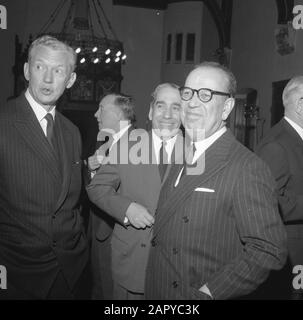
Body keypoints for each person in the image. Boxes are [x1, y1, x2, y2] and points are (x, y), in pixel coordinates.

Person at [145, 62, 287, 300]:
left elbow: (268, 250)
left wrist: (210, 293)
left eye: (206, 94)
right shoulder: (183, 152)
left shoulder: (246, 167)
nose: (191, 103)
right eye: (187, 93)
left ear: (227, 107)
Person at [0, 35, 88, 299]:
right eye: (40, 67)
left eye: (58, 70)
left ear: (70, 80)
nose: (48, 79)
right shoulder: (4, 123)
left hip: (69, 270)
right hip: (17, 273)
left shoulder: (72, 131)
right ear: (27, 71)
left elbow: (72, 200)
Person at [87, 83, 182, 299]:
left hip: (176, 272)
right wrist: (127, 208)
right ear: (150, 111)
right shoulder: (126, 145)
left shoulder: (195, 152)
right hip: (132, 265)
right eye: (161, 106)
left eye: (176, 107)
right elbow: (97, 187)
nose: (167, 114)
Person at [256, 76, 303, 299]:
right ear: (301, 105)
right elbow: (266, 202)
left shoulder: (295, 137)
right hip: (291, 251)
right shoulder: (276, 143)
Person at [88, 93, 136, 300]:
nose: (95, 114)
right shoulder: (105, 142)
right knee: (100, 288)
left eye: (101, 109)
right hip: (98, 231)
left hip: (119, 235)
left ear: (117, 114)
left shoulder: (138, 144)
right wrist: (91, 170)